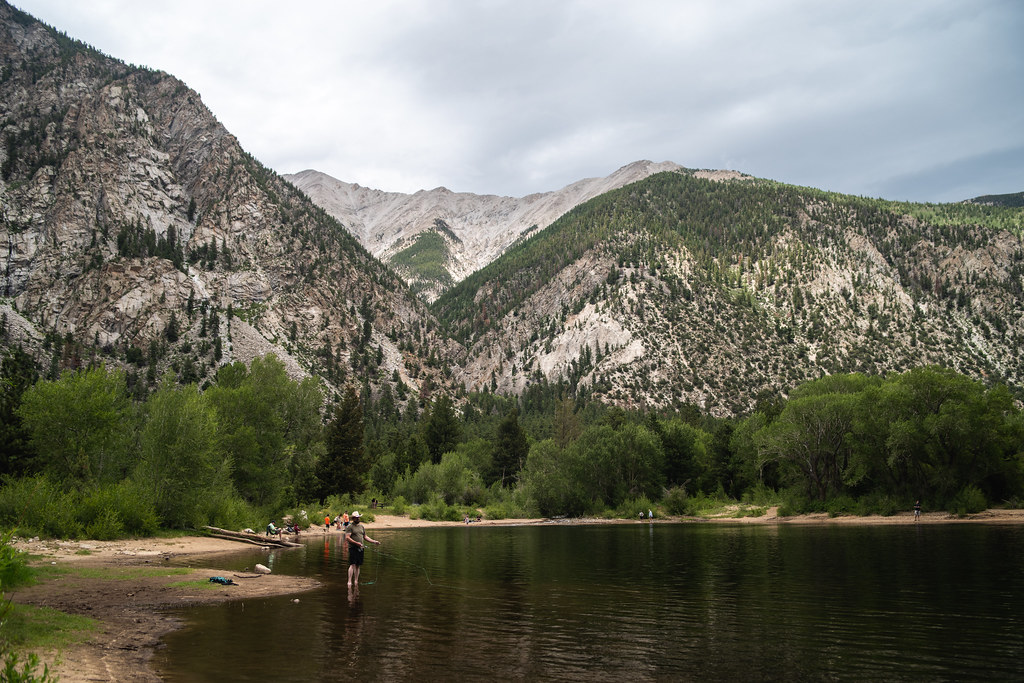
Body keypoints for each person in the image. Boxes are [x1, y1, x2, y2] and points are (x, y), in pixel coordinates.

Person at [344, 511, 380, 587]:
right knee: (352, 564)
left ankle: (356, 580)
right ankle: (349, 581)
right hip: (353, 548)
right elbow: (347, 538)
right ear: (353, 518)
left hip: (360, 548)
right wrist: (356, 543)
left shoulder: (362, 526)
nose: (358, 519)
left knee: (358, 565)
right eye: (357, 518)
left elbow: (365, 537)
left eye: (359, 517)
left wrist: (374, 541)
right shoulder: (350, 527)